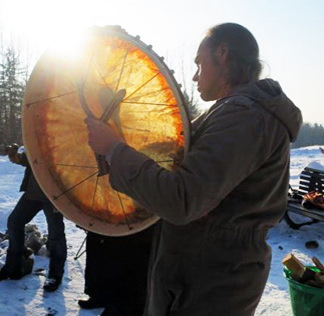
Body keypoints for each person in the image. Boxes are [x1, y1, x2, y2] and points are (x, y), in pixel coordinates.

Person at [85, 23, 303, 316]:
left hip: (213, 283)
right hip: (203, 273)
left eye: (200, 63)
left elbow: (183, 199)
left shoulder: (245, 116)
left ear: (223, 53)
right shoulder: (233, 112)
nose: (195, 75)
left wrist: (114, 149)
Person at [0, 143, 67, 292]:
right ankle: (13, 267)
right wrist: (16, 156)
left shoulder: (61, 136)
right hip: (33, 192)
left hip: (53, 195)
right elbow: (31, 161)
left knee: (56, 233)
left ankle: (55, 275)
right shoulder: (37, 136)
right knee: (14, 222)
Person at [78, 224, 156, 316]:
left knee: (130, 261)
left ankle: (122, 308)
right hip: (102, 220)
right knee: (98, 252)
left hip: (135, 224)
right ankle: (100, 296)